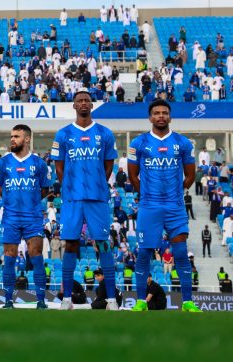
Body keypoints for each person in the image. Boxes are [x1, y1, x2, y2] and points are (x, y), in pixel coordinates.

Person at [127, 99, 200, 312]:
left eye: (164, 113)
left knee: (180, 252)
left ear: (170, 116)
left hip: (175, 207)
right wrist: (148, 195)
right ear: (150, 117)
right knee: (144, 254)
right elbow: (133, 176)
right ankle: (141, 301)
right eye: (157, 113)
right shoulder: (138, 143)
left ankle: (187, 302)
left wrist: (176, 193)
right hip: (149, 207)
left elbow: (190, 175)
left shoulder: (183, 143)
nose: (161, 116)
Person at [51, 90, 119, 310]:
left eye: (86, 101)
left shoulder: (105, 133)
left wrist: (99, 182)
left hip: (97, 197)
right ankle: (67, 299)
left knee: (103, 244)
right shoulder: (62, 134)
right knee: (69, 243)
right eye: (79, 101)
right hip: (72, 198)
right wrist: (69, 186)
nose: (83, 104)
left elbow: (109, 164)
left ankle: (110, 299)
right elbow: (58, 165)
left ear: (92, 105)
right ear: (74, 106)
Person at [0, 124, 52, 310]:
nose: (12, 139)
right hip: (10, 217)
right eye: (11, 136)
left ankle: (41, 301)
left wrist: (30, 202)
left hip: (33, 217)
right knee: (9, 257)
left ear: (26, 139)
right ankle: (8, 300)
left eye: (16, 136)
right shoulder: (2, 163)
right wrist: (11, 200)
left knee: (36, 257)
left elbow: (45, 189)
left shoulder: (39, 164)